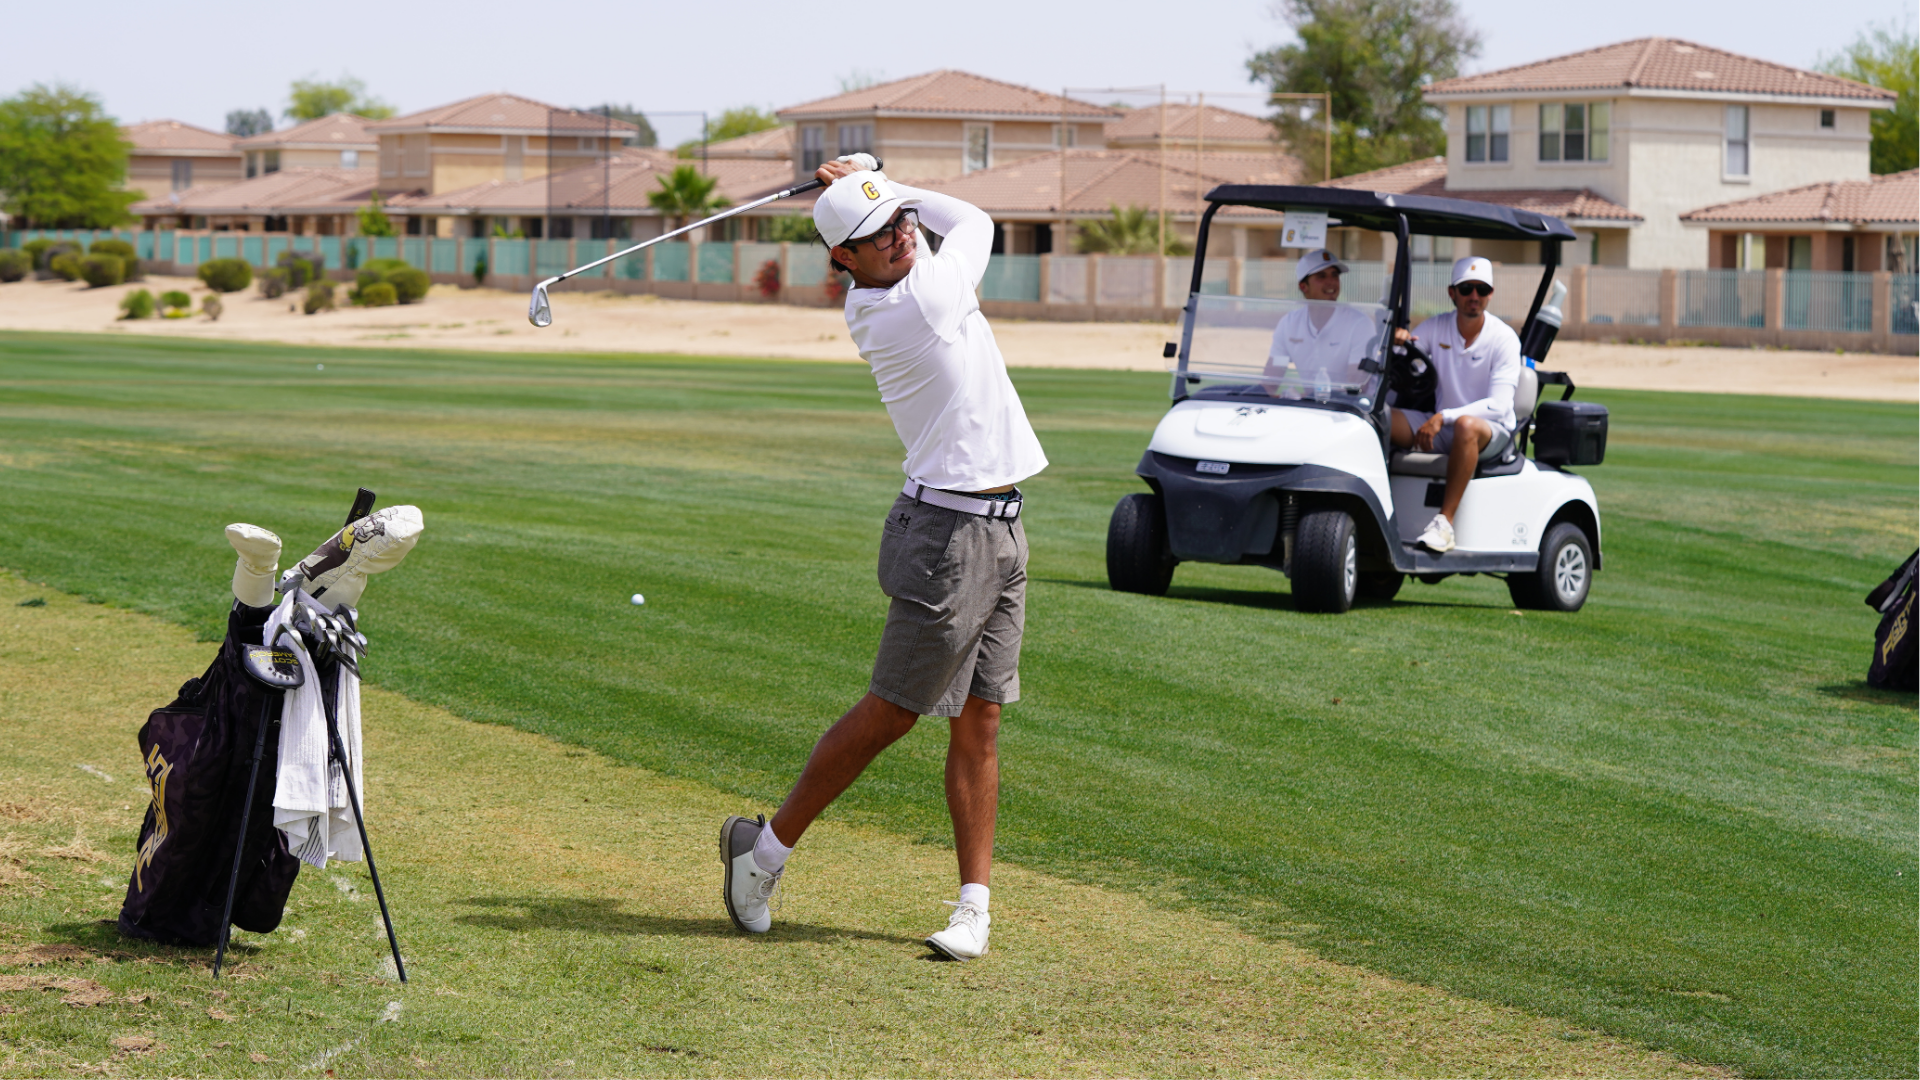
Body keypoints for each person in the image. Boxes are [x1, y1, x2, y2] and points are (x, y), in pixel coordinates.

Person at [718, 155, 1047, 962]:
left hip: (1002, 528)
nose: (900, 235)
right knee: (892, 712)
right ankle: (761, 857)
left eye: (900, 223)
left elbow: (932, 230)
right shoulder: (913, 304)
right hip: (946, 537)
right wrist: (888, 181)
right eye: (878, 232)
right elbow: (976, 221)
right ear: (844, 259)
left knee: (982, 718)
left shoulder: (907, 273)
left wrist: (878, 188)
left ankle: (973, 909)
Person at [1390, 255, 1521, 553]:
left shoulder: (1504, 339)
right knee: (1379, 418)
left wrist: (1443, 417)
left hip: (1491, 433)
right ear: (1452, 292)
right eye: (1466, 289)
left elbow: (1499, 406)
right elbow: (1407, 366)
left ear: (1490, 294)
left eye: (1481, 289)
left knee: (1466, 425)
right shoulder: (1435, 327)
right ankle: (1376, 509)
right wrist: (1398, 343)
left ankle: (1444, 524)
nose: (1474, 296)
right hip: (1444, 425)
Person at [1264, 248, 1380, 399]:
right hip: (1313, 408)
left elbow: (1355, 388)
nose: (1331, 282)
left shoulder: (1360, 324)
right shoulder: (1288, 324)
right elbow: (1269, 382)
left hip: (1354, 408)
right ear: (1303, 286)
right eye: (1321, 276)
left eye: (1335, 275)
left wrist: (1303, 398)